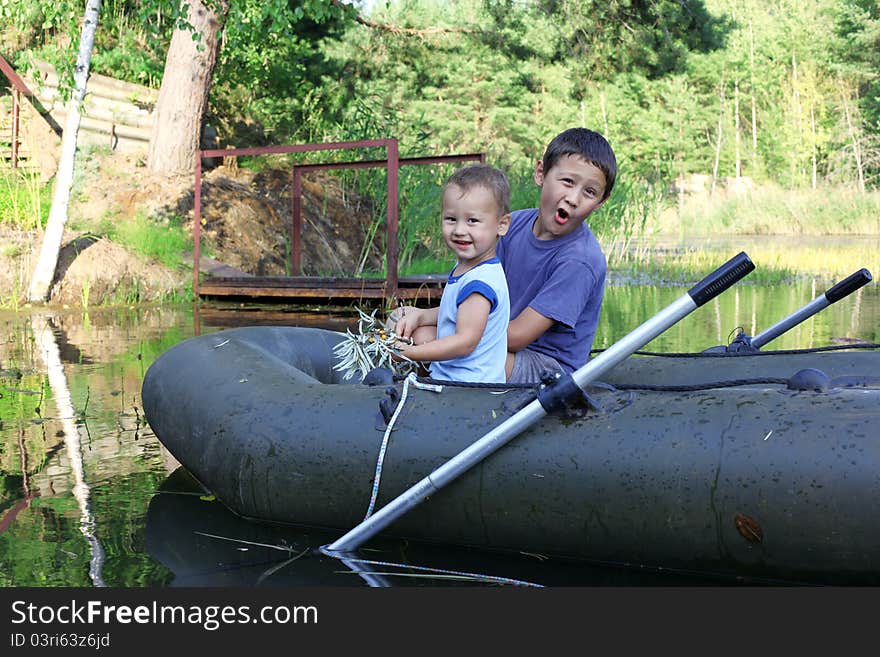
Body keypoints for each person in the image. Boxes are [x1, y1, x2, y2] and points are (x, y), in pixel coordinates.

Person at [496, 127, 616, 383]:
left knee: (464, 352)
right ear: (541, 173)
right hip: (501, 342)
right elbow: (468, 298)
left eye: (590, 192)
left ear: (601, 202)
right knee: (422, 334)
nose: (573, 198)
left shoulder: (580, 260)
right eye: (568, 182)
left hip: (549, 369)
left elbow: (517, 337)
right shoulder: (512, 226)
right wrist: (423, 316)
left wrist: (458, 335)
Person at [393, 164, 511, 383]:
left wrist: (407, 353)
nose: (459, 230)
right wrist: (421, 315)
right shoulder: (469, 267)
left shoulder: (480, 282)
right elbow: (457, 308)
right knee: (399, 318)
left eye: (472, 221)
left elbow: (464, 342)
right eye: (451, 219)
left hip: (469, 389)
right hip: (454, 379)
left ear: (501, 225)